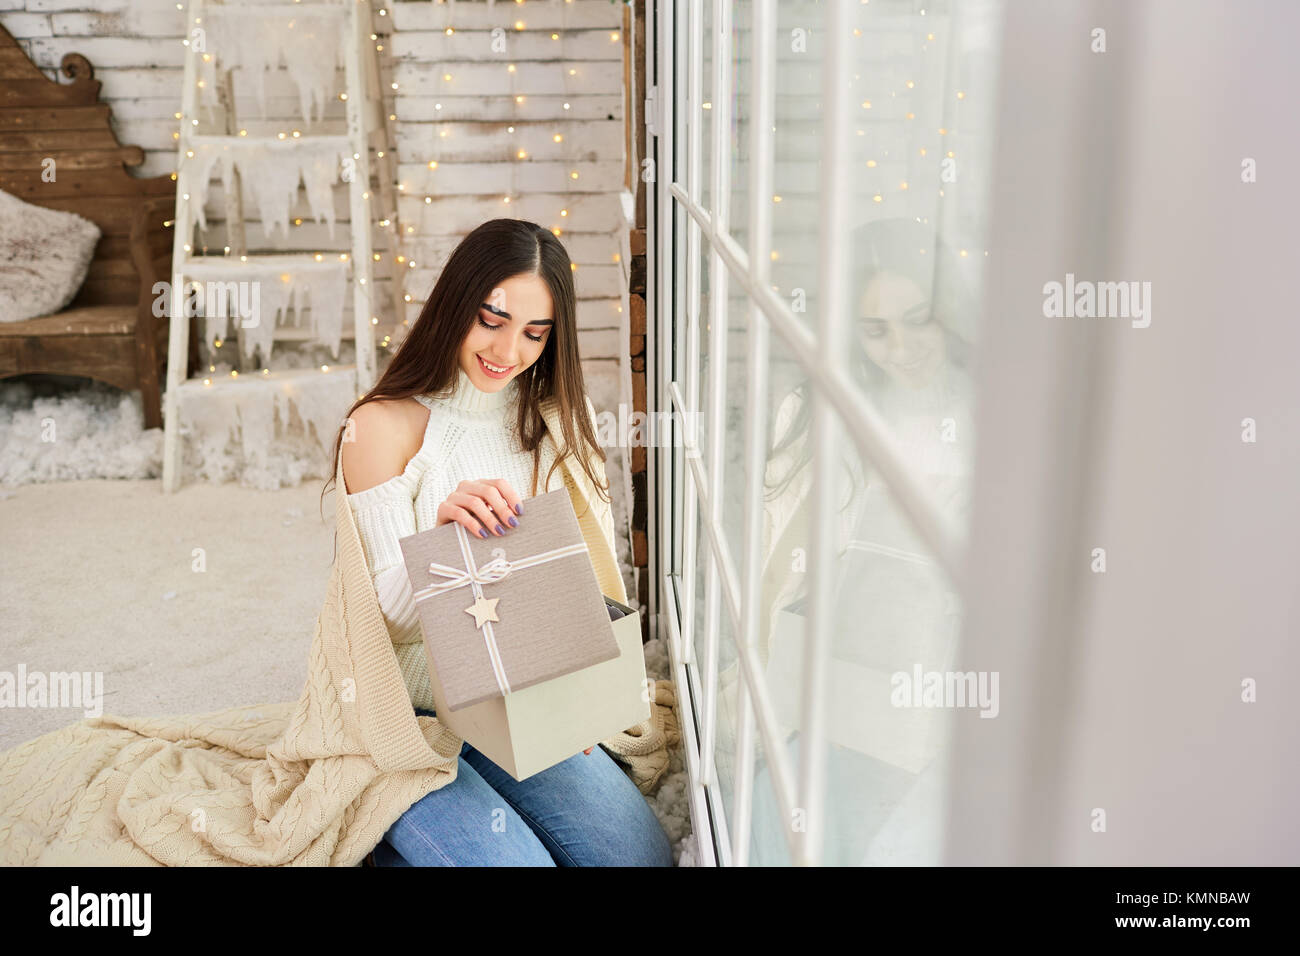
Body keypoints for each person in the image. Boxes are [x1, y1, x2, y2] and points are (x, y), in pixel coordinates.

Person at [323, 218, 673, 866]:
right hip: (412, 714)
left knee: (638, 858)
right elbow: (380, 626)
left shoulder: (554, 419)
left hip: (518, 697)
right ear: (457, 303)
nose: (507, 350)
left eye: (534, 333)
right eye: (492, 319)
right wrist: (441, 544)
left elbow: (573, 580)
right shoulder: (380, 427)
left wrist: (576, 692)